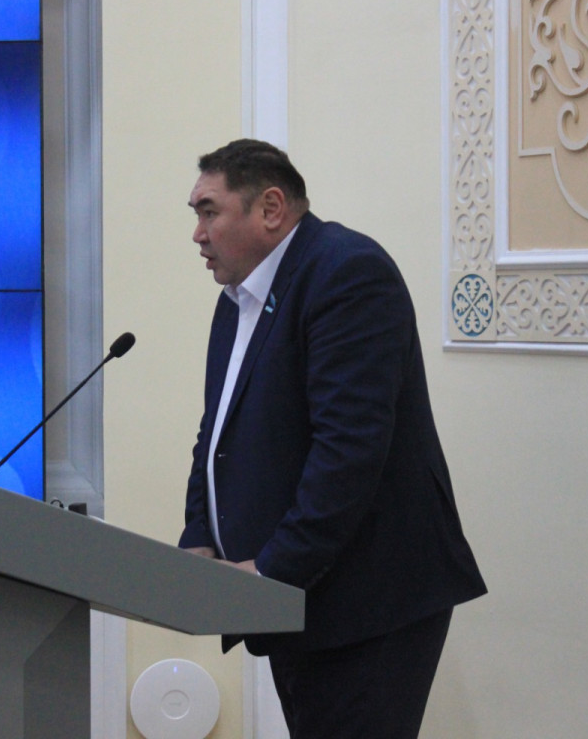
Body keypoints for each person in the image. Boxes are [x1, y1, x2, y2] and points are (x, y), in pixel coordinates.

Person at [178, 139, 487, 738]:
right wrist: (200, 541)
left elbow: (348, 452)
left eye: (209, 212)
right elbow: (215, 437)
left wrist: (270, 573)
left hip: (368, 604)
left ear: (271, 208)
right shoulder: (237, 299)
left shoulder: (347, 273)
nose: (198, 234)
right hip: (297, 600)